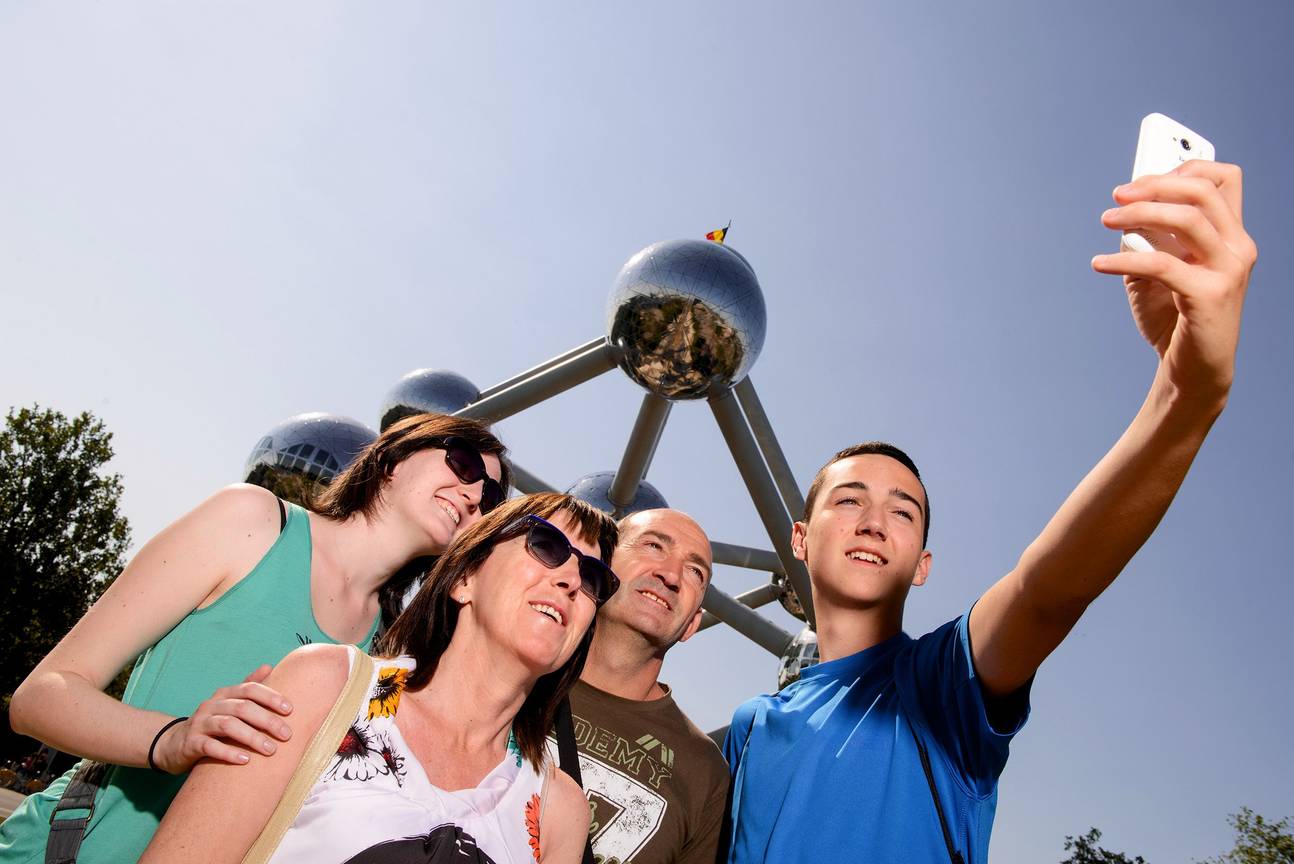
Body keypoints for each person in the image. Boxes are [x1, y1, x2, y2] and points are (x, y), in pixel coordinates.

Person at [721, 160, 1257, 863]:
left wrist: (1186, 397)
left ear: (923, 566)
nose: (874, 521)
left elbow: (1047, 589)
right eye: (848, 499)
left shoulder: (941, 685)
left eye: (904, 512)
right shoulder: (750, 727)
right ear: (799, 537)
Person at [1, 413, 509, 864]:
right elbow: (40, 698)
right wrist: (173, 738)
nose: (473, 494)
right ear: (392, 458)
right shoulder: (252, 522)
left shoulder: (390, 660)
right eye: (462, 464)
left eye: (490, 497)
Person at [140, 492, 620, 864]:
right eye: (546, 546)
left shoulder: (558, 808)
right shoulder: (328, 687)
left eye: (595, 579)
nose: (572, 580)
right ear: (463, 579)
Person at [564, 509, 729, 864]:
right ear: (602, 563)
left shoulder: (705, 770)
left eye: (695, 572)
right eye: (653, 545)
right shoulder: (517, 677)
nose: (670, 575)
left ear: (692, 625)